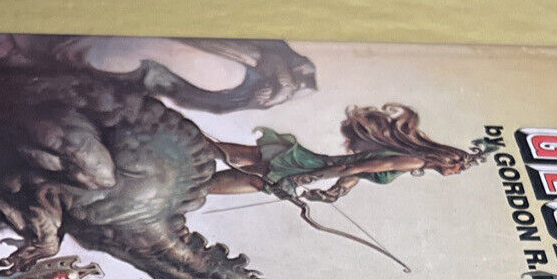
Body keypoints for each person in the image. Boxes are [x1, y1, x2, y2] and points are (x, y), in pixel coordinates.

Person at [209, 103, 495, 202]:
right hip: (303, 166)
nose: (457, 172)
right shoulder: (413, 161)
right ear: (448, 159)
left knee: (214, 159)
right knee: (212, 159)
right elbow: (352, 168)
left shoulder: (412, 161)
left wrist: (335, 192)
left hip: (309, 166)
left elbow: (360, 170)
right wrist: (299, 180)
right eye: (460, 166)